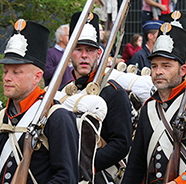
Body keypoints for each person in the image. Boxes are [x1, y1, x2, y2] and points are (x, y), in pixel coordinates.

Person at [122, 12, 186, 184]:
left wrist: (182, 182)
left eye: (166, 65)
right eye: (154, 66)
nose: (158, 71)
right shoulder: (149, 107)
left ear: (183, 70)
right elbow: (136, 163)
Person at [0, 19, 79, 183]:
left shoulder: (57, 118)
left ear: (37, 77)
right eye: (5, 71)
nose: (7, 78)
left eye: (16, 72)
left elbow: (66, 178)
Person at [66, 12, 132, 183]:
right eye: (78, 49)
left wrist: (84, 165)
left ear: (98, 53)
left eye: (89, 50)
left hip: (101, 174)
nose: (84, 56)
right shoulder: (66, 91)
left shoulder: (113, 92)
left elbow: (120, 144)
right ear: (69, 53)